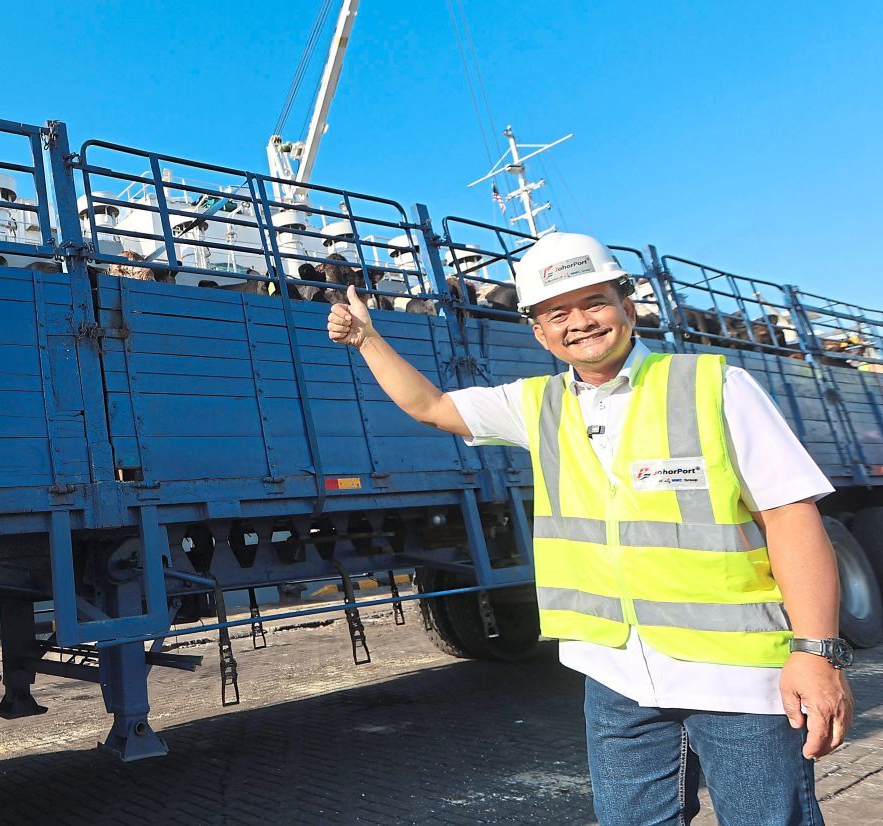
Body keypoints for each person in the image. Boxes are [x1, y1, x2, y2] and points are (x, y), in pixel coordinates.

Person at [326, 231, 854, 825]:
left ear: (627, 307)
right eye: (557, 312)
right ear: (538, 330)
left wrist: (816, 653)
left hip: (736, 679)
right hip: (617, 677)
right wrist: (367, 339)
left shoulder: (714, 386)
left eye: (594, 302)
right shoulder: (537, 405)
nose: (579, 322)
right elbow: (431, 406)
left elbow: (790, 517)